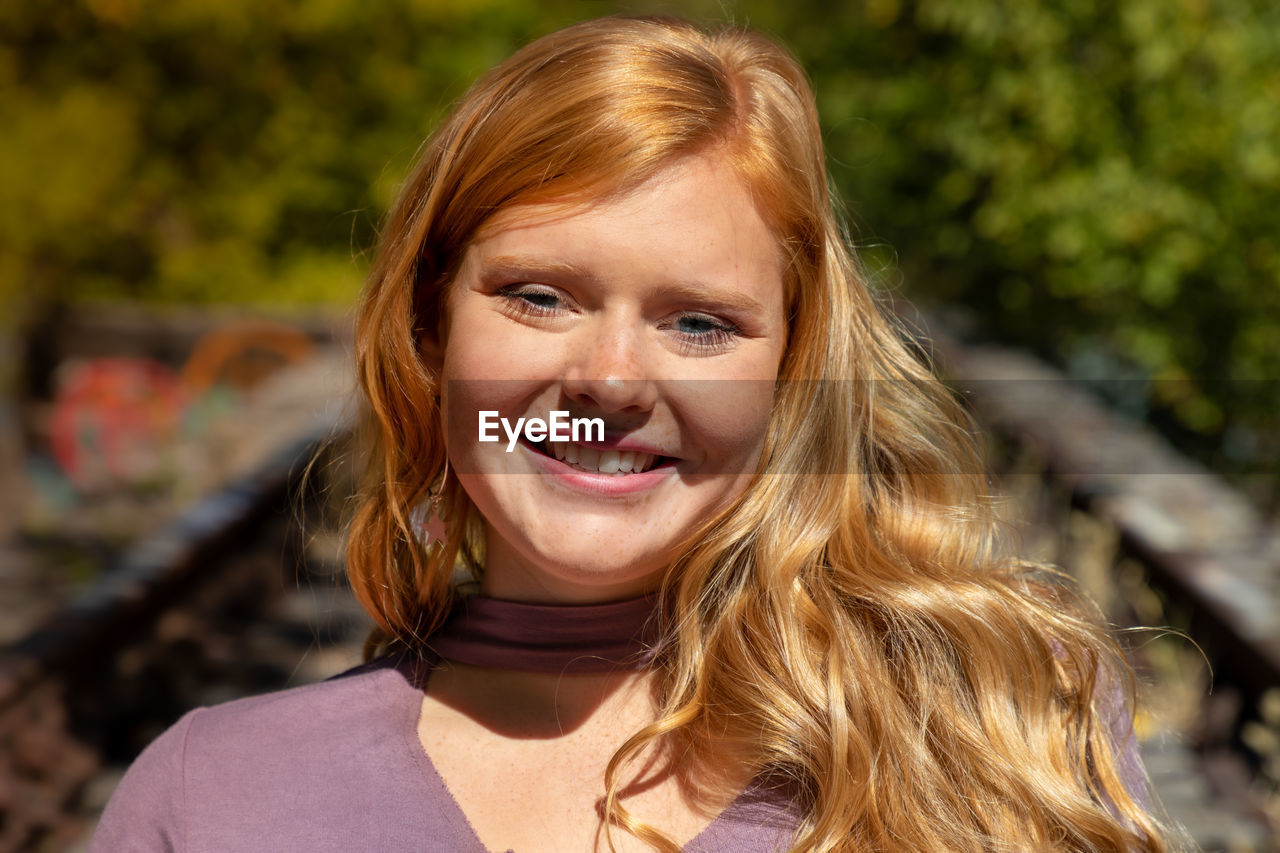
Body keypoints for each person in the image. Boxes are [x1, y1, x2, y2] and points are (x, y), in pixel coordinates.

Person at [92, 15, 1175, 852]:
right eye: (539, 297)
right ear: (429, 328)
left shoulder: (1001, 719)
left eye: (698, 323)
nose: (608, 379)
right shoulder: (215, 796)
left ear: (791, 368)